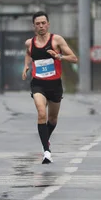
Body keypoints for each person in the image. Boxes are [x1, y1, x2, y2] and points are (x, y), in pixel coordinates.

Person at [22, 11, 78, 164]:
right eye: (38, 24)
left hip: (55, 85)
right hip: (38, 83)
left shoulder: (57, 40)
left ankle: (46, 139)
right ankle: (46, 151)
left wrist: (59, 56)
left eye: (43, 23)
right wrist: (26, 66)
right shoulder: (29, 42)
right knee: (41, 113)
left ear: (48, 24)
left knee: (52, 119)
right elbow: (28, 53)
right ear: (34, 26)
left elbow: (74, 58)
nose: (41, 26)